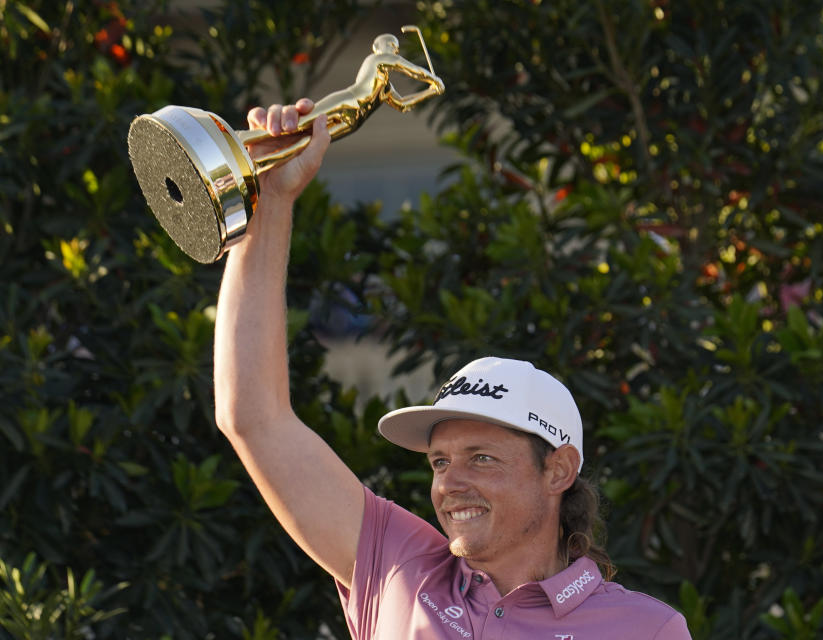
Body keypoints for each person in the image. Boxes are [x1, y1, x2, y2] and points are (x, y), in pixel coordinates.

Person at [214, 99, 692, 639]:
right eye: (440, 462)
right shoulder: (397, 563)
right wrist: (271, 200)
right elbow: (254, 416)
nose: (450, 484)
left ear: (558, 471)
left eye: (481, 458)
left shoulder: (646, 628)